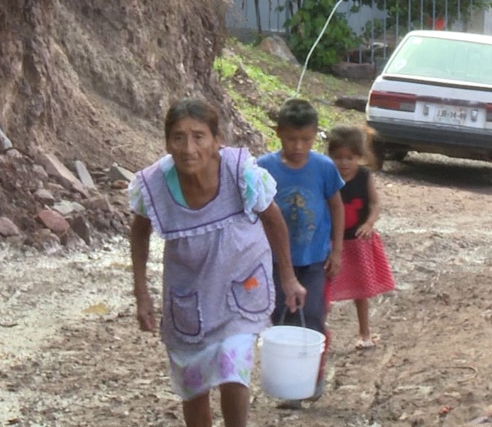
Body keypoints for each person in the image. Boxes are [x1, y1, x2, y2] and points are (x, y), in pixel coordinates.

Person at [129, 98, 306, 427]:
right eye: (178, 137)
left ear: (216, 140)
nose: (188, 148)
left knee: (232, 367)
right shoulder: (154, 184)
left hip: (239, 288)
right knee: (193, 386)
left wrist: (288, 277)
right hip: (189, 296)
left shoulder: (240, 172)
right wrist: (141, 294)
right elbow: (139, 232)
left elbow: (273, 219)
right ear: (167, 142)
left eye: (199, 136)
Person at [258, 98, 344, 405]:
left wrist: (337, 250)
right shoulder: (263, 168)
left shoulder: (323, 168)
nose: (298, 146)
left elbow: (336, 206)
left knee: (312, 314)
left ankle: (312, 375)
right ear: (279, 133)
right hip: (275, 262)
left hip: (314, 260)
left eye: (305, 140)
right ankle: (288, 382)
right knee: (280, 317)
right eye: (292, 139)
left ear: (315, 135)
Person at [322, 126, 395, 351]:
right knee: (324, 289)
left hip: (357, 242)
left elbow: (374, 203)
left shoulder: (364, 176)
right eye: (338, 158)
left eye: (350, 158)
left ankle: (365, 333)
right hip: (331, 242)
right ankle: (319, 332)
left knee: (361, 289)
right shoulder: (326, 176)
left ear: (360, 157)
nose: (344, 163)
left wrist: (369, 223)